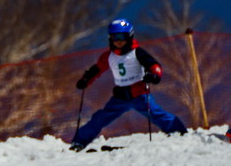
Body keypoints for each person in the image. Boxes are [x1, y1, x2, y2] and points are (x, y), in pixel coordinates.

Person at [70, 18, 188, 152]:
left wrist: (154, 76)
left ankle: (179, 133)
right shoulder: (108, 56)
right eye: (115, 38)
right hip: (120, 97)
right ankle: (79, 142)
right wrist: (86, 79)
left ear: (130, 37)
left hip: (139, 94)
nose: (119, 41)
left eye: (122, 37)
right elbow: (96, 69)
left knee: (157, 114)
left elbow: (154, 65)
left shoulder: (137, 52)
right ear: (110, 39)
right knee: (99, 118)